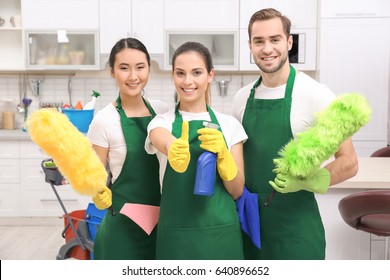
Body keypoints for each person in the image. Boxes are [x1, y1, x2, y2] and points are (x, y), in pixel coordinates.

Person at [232, 8, 358, 260]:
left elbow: (349, 162)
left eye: (275, 39)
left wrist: (309, 181)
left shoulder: (316, 94)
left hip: (297, 233)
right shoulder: (242, 98)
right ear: (250, 46)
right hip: (249, 229)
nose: (267, 48)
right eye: (259, 41)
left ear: (289, 42)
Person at [145, 41, 247, 260]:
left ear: (210, 75)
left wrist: (224, 158)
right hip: (176, 237)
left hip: (221, 235)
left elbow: (237, 190)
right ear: (173, 75)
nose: (188, 81)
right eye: (180, 73)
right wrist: (173, 147)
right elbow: (160, 138)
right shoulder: (161, 122)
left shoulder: (229, 125)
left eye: (197, 73)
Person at [87, 37, 169, 259]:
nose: (133, 77)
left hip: (163, 228)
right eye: (124, 68)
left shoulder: (162, 112)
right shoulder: (104, 120)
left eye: (140, 67)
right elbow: (94, 177)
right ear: (112, 72)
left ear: (149, 69)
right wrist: (97, 192)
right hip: (122, 234)